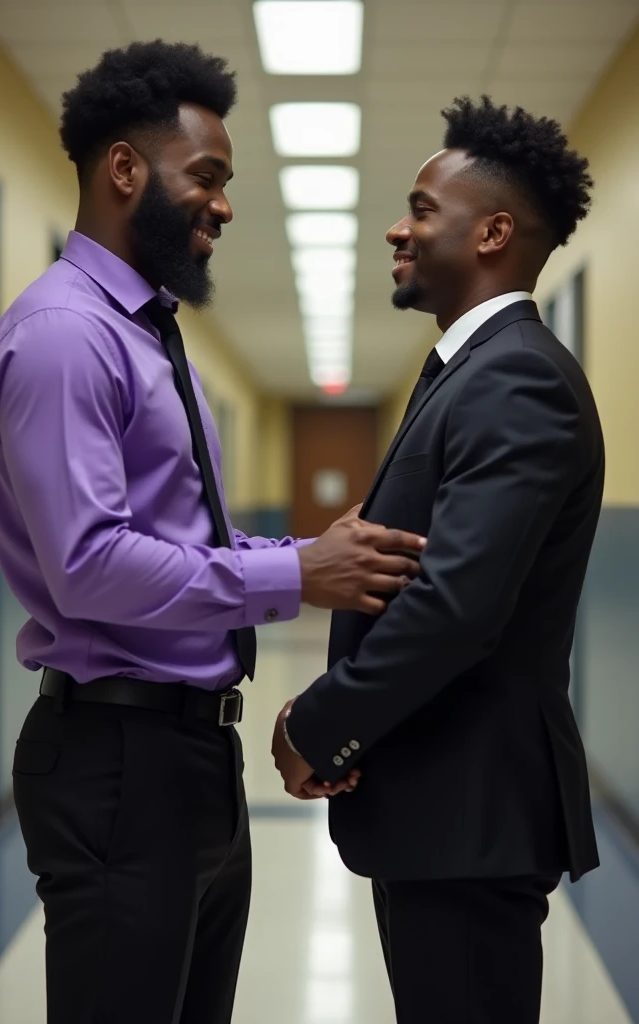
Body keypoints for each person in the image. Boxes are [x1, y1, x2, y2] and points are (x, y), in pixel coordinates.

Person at [0, 41, 425, 1024]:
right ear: (124, 170)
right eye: (207, 178)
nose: (223, 205)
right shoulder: (65, 336)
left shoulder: (146, 334)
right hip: (117, 760)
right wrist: (299, 571)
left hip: (192, 758)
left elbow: (184, 535)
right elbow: (91, 566)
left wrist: (303, 559)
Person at [273, 95, 604, 1024]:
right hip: (439, 810)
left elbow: (456, 606)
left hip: (470, 816)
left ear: (493, 232)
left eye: (421, 209)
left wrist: (318, 725)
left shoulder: (518, 376)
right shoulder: (473, 374)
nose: (398, 227)